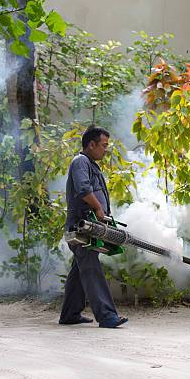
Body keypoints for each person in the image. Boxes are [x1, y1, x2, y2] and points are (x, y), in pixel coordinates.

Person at [59, 126, 128, 328]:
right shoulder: (80, 162)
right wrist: (99, 208)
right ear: (91, 144)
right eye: (104, 145)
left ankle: (70, 314)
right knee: (90, 268)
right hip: (82, 226)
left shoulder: (90, 164)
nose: (105, 150)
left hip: (90, 225)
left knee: (80, 269)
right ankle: (107, 316)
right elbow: (83, 190)